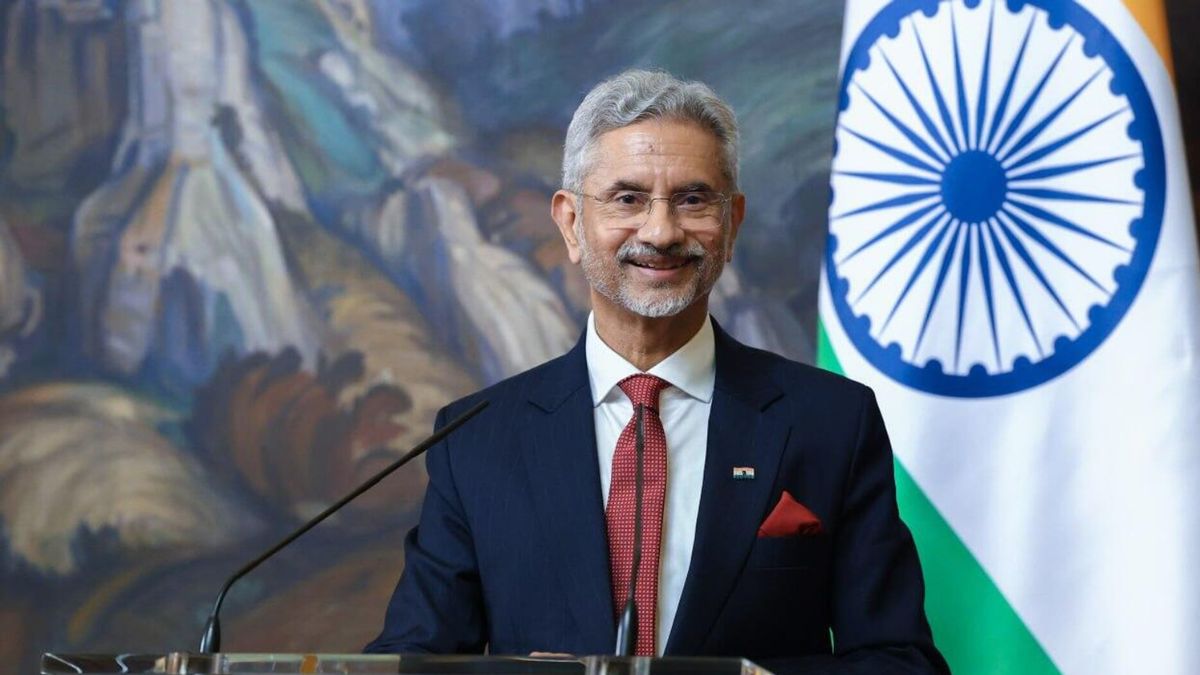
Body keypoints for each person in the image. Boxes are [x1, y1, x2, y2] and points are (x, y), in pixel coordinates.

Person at [365, 69, 948, 674]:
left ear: (732, 223)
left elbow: (902, 664)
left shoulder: (830, 422)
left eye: (693, 200)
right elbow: (411, 660)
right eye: (628, 199)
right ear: (570, 222)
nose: (662, 231)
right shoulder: (476, 439)